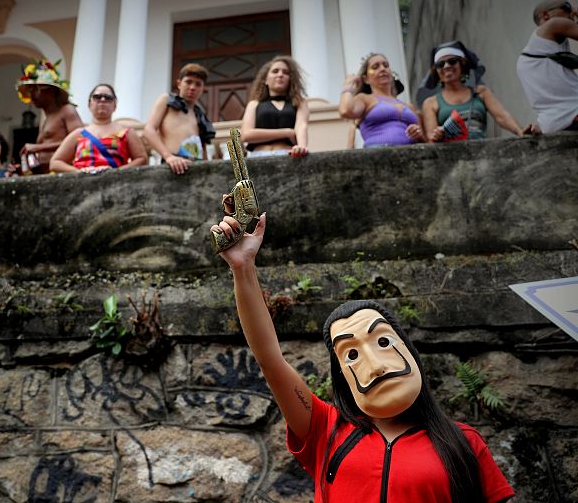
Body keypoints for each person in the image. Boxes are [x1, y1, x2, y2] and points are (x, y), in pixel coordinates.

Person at [210, 212, 514, 503]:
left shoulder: (464, 442)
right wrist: (243, 267)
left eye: (382, 341)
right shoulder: (325, 430)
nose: (376, 364)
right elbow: (270, 359)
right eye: (352, 354)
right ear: (341, 373)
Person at [421, 42, 530, 142]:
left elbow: (501, 116)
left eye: (452, 61)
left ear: (462, 65)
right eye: (440, 64)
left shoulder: (481, 92)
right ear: (437, 71)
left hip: (482, 154)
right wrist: (437, 135)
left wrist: (520, 132)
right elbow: (431, 140)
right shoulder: (431, 103)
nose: (446, 66)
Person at [49, 84, 147, 174]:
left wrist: (116, 172)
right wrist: (80, 172)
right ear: (89, 104)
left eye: (108, 98)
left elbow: (142, 159)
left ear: (115, 106)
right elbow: (55, 163)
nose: (102, 100)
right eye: (97, 97)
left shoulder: (126, 132)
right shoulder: (79, 134)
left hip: (116, 184)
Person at [517, 0, 578, 133]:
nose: (572, 13)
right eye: (566, 7)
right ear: (545, 15)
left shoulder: (535, 53)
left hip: (552, 123)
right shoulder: (552, 25)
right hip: (572, 112)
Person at [339, 53, 426, 147]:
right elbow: (346, 111)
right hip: (379, 153)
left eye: (386, 65)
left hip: (410, 154)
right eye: (375, 67)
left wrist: (418, 136)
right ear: (366, 79)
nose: (382, 69)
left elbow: (424, 140)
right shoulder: (365, 99)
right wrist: (348, 85)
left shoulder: (409, 106)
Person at [143, 63, 216, 175]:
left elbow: (203, 146)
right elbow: (149, 130)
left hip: (197, 167)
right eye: (188, 82)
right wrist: (168, 157)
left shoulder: (200, 115)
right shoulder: (167, 100)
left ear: (202, 89)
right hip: (173, 165)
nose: (192, 87)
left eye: (198, 84)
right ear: (179, 83)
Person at [16, 56, 83, 172]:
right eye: (30, 91)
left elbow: (80, 139)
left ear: (51, 91)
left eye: (35, 90)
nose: (32, 96)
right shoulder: (47, 118)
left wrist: (38, 147)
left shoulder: (67, 110)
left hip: (61, 173)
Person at [241, 55, 310, 157]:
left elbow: (301, 126)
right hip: (258, 157)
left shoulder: (300, 103)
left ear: (290, 79)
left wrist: (302, 147)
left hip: (288, 155)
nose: (280, 75)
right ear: (266, 80)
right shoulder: (254, 104)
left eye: (285, 72)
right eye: (275, 71)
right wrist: (287, 132)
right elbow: (246, 135)